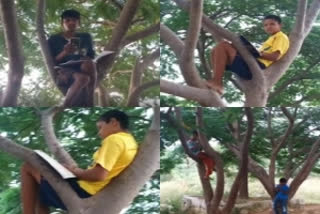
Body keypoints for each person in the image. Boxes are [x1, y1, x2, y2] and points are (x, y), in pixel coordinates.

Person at [20, 110, 138, 214]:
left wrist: (74, 171)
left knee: (29, 166)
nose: (99, 133)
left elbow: (98, 175)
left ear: (114, 122)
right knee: (38, 191)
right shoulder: (132, 143)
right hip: (94, 191)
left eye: (100, 127)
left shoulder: (115, 139)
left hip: (84, 190)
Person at [206, 15, 290, 95]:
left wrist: (258, 53)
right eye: (265, 25)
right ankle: (216, 79)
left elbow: (275, 57)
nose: (268, 27)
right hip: (251, 62)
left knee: (223, 45)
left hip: (256, 67)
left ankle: (217, 82)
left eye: (272, 24)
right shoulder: (271, 38)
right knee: (217, 49)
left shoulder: (281, 36)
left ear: (280, 25)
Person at [48, 9, 96, 107]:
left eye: (74, 20)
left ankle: (90, 98)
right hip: (65, 68)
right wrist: (65, 52)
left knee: (89, 63)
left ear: (79, 23)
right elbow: (52, 61)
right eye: (67, 20)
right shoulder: (54, 39)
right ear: (62, 23)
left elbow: (91, 55)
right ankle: (65, 106)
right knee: (83, 79)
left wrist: (84, 55)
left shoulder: (86, 36)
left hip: (83, 64)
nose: (71, 22)